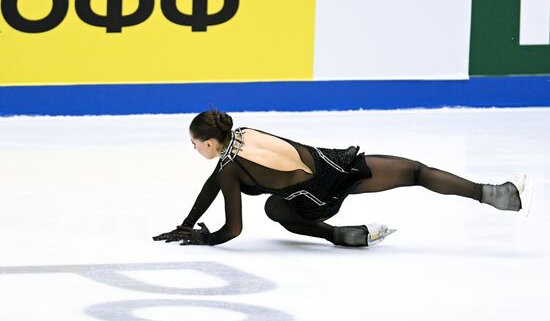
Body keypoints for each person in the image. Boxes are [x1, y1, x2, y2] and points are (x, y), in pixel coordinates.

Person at [153, 109, 531, 247]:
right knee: (414, 172)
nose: (194, 150)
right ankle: (496, 194)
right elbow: (211, 186)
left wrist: (204, 238)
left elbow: (232, 229)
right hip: (337, 167)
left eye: (194, 145)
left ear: (208, 143)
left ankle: (340, 235)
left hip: (313, 199)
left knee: (275, 208)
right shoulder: (246, 134)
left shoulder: (230, 168)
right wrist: (186, 221)